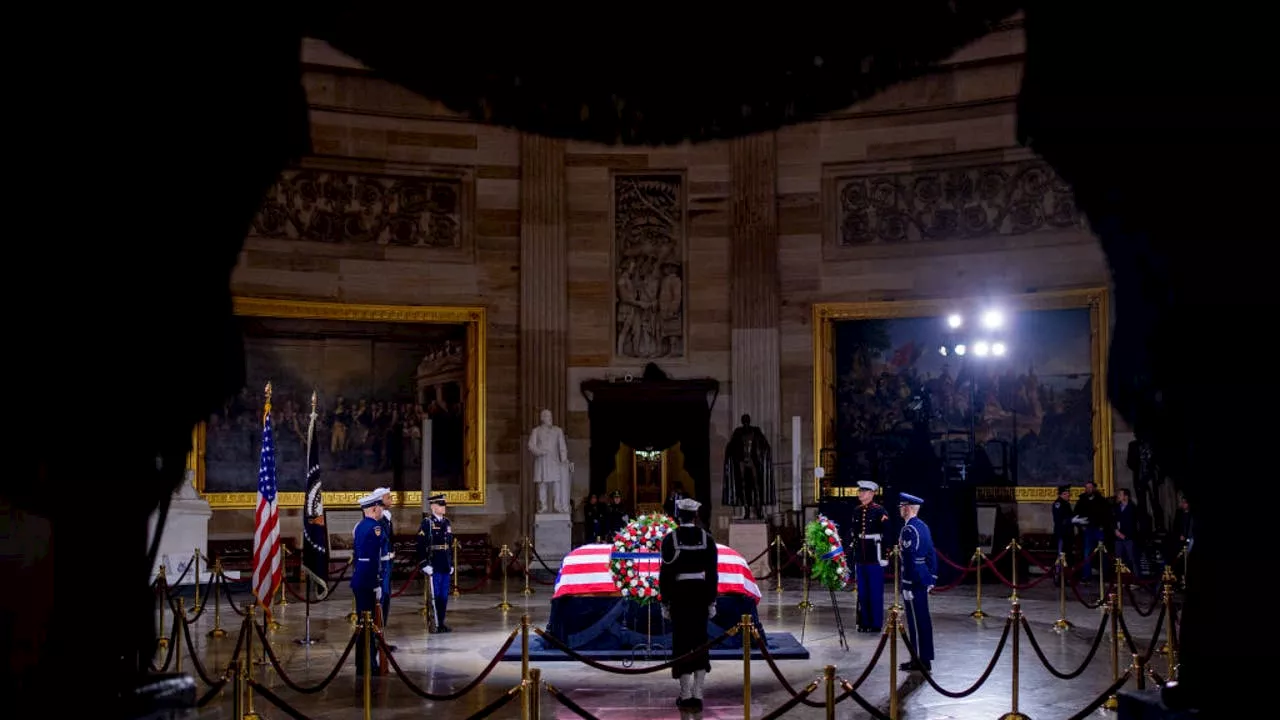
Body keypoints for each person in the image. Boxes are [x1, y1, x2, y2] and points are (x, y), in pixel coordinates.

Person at [659, 497, 719, 712]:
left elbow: (665, 575)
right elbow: (712, 574)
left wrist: (665, 602)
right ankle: (698, 694)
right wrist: (712, 600)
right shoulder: (707, 538)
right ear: (695, 516)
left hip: (680, 596)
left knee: (682, 643)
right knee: (700, 642)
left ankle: (685, 696)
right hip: (700, 595)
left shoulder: (670, 539)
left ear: (677, 516)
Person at [897, 493, 936, 672]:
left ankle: (918, 660)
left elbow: (910, 558)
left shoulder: (909, 530)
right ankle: (924, 658)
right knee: (923, 619)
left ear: (908, 508)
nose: (900, 509)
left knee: (915, 621)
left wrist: (907, 584)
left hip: (913, 581)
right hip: (923, 577)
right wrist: (932, 578)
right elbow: (931, 553)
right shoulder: (924, 526)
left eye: (902, 506)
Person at [849, 480, 890, 632]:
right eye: (860, 491)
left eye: (864, 491)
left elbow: (887, 534)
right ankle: (864, 622)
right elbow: (854, 533)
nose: (861, 494)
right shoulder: (857, 510)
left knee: (875, 592)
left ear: (872, 493)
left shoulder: (880, 511)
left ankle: (875, 624)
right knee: (863, 592)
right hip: (861, 555)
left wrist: (885, 555)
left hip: (875, 555)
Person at [351, 492, 385, 674]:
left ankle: (363, 662)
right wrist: (376, 582)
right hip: (367, 580)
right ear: (374, 508)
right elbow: (373, 558)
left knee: (363, 624)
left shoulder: (360, 526)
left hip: (359, 579)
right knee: (368, 624)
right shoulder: (374, 527)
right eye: (380, 507)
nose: (381, 510)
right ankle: (368, 663)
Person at [416, 493, 454, 631]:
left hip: (444, 563)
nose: (444, 508)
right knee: (434, 595)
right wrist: (424, 564)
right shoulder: (428, 523)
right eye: (440, 505)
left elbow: (449, 545)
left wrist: (451, 564)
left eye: (444, 505)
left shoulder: (446, 522)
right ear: (433, 506)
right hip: (434, 563)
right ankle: (434, 623)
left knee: (443, 596)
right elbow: (420, 544)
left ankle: (441, 622)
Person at [371, 487, 397, 650]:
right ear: (380, 500)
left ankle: (380, 637)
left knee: (385, 600)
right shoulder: (378, 520)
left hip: (387, 563)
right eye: (389, 497)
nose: (391, 499)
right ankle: (376, 639)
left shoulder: (386, 518)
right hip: (381, 565)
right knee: (380, 600)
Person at [1072, 481, 1109, 579]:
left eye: (1090, 487)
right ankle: (1086, 576)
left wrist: (1103, 526)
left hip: (1099, 529)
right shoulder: (1081, 500)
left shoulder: (1101, 500)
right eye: (1086, 487)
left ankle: (1105, 575)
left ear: (1094, 488)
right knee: (1087, 553)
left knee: (1103, 553)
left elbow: (1107, 515)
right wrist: (1081, 526)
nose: (1088, 489)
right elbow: (1076, 515)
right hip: (1087, 530)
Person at [1050, 485, 1075, 585]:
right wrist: (1071, 520)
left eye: (1068, 493)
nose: (1068, 495)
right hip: (1062, 535)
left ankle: (1066, 577)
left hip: (1068, 534)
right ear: (1061, 494)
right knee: (1061, 556)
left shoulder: (1066, 504)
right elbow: (1059, 520)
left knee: (1068, 556)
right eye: (1065, 493)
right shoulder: (1058, 504)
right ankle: (1058, 577)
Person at [1113, 488, 1138, 582]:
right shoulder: (1116, 507)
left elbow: (1133, 524)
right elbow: (1113, 520)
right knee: (1118, 559)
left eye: (1120, 494)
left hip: (1129, 538)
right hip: (1118, 537)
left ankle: (1134, 580)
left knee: (1131, 559)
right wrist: (1116, 530)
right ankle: (1119, 580)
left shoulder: (1133, 508)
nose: (1118, 496)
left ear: (1126, 496)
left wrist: (1126, 535)